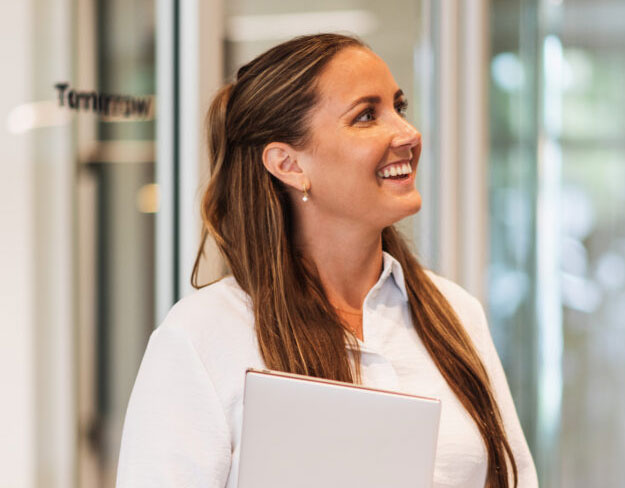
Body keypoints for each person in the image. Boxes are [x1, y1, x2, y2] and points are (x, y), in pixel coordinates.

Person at [116, 33, 537, 488]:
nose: (408, 133)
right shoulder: (202, 336)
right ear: (288, 164)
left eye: (400, 107)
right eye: (367, 116)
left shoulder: (455, 313)